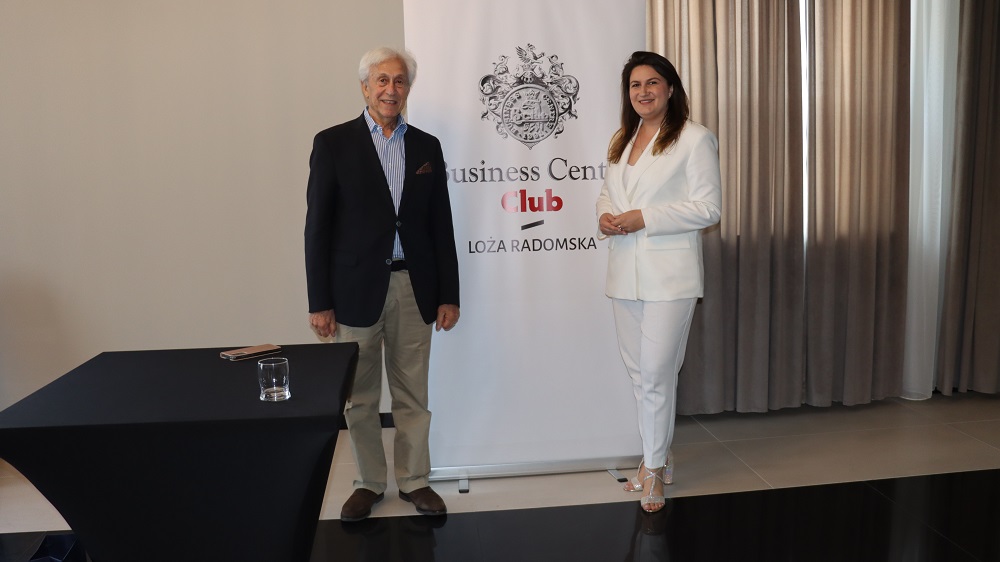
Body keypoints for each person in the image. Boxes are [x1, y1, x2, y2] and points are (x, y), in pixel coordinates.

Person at [304, 46, 460, 522]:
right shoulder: (332, 143)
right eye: (382, 80)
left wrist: (449, 294)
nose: (391, 89)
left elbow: (441, 224)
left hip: (415, 286)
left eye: (399, 81)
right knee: (361, 397)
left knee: (413, 395)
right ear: (365, 88)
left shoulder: (427, 146)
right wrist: (320, 301)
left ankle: (414, 481)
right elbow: (317, 228)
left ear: (408, 89)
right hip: (353, 291)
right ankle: (369, 483)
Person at [596, 51, 721, 513]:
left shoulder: (694, 138)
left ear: (670, 88)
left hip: (670, 277)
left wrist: (644, 217)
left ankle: (651, 470)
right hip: (623, 273)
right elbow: (607, 193)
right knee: (639, 374)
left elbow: (709, 208)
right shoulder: (622, 139)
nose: (643, 92)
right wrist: (604, 217)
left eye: (652, 83)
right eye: (635, 85)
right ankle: (659, 456)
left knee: (655, 373)